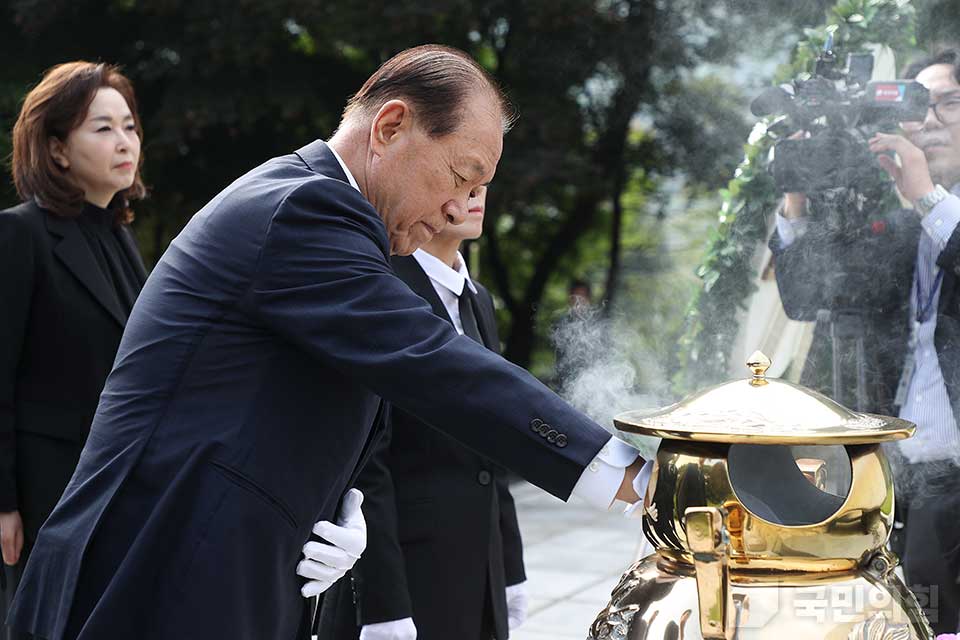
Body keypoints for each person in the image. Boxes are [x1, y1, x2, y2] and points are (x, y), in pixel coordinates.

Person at [7, 45, 647, 640]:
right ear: (390, 126)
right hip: (155, 567)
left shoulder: (330, 218)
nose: (460, 208)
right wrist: (632, 473)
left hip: (211, 564)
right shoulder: (304, 207)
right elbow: (430, 360)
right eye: (459, 175)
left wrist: (338, 508)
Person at [771, 49, 960, 634]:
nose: (928, 121)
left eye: (947, 104)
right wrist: (796, 195)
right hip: (899, 475)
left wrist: (927, 195)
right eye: (918, 106)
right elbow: (806, 298)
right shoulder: (900, 220)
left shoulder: (928, 207)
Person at [317, 185, 528, 640]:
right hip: (405, 575)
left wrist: (510, 568)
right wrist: (383, 604)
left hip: (478, 574)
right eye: (463, 179)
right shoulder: (382, 286)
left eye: (485, 182)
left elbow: (494, 450)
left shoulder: (478, 299)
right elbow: (366, 463)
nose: (477, 195)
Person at [0, 62, 148, 637]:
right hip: (45, 493)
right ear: (57, 150)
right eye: (103, 128)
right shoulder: (20, 235)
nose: (124, 142)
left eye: (130, 126)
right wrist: (5, 500)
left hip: (117, 489)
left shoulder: (118, 235)